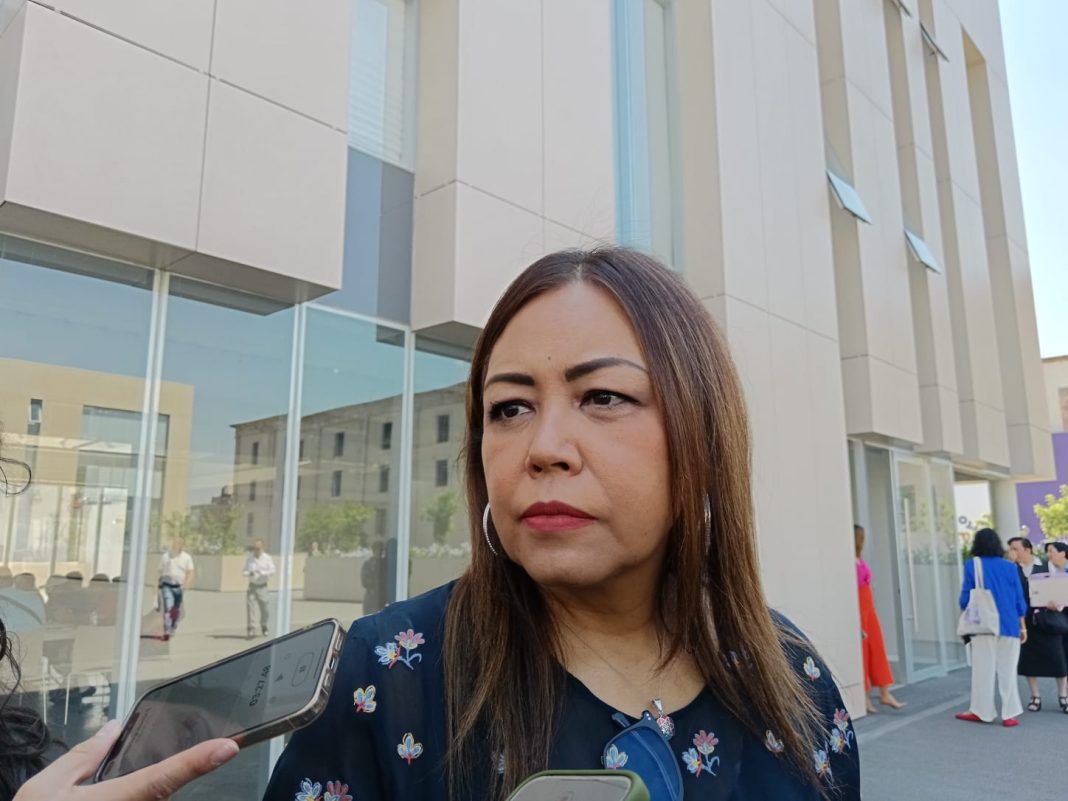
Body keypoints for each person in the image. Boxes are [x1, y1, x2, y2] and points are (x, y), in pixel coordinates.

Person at [263, 247, 860, 800]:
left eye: (603, 397)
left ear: (701, 438)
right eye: (509, 409)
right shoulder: (388, 676)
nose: (544, 448)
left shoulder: (793, 675)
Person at [955, 528, 1028, 727]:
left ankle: (982, 711)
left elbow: (965, 598)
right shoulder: (1010, 567)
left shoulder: (973, 565)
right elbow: (1019, 601)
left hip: (984, 626)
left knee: (983, 670)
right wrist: (1023, 627)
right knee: (1008, 670)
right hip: (1010, 625)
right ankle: (1009, 714)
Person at [853, 525, 904, 713]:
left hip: (869, 609)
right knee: (863, 652)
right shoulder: (850, 562)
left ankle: (885, 692)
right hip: (860, 610)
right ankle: (865, 698)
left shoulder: (859, 560)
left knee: (877, 649)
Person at [1017, 540, 1068, 714]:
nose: (1048, 554)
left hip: (1049, 620)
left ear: (1027, 550)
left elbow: (1060, 591)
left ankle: (1063, 696)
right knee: (1030, 661)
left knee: (1058, 659)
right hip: (1028, 622)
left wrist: (1057, 604)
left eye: (1015, 548)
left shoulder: (1047, 567)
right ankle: (1035, 696)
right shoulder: (1015, 569)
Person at [157, 538, 194, 641]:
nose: (178, 545)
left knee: (175, 609)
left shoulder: (187, 557)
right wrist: (156, 587)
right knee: (168, 608)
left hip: (179, 587)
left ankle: (173, 625)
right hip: (167, 585)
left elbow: (191, 571)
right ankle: (167, 631)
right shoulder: (166, 556)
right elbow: (159, 571)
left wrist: (187, 583)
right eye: (176, 543)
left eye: (180, 544)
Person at [243, 540, 276, 639]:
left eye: (258, 549)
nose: (256, 551)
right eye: (254, 548)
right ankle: (251, 628)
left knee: (265, 608)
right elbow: (244, 571)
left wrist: (263, 573)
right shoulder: (250, 558)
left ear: (262, 548)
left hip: (263, 586)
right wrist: (249, 573)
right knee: (250, 607)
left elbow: (273, 571)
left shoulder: (267, 558)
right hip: (252, 586)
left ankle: (264, 625)